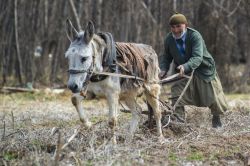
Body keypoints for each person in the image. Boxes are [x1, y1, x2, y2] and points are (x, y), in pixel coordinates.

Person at [159, 13, 228, 128]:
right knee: (177, 92)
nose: (175, 30)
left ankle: (216, 119)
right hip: (184, 73)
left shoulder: (195, 36)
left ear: (185, 25)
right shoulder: (169, 39)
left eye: (178, 26)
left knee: (213, 96)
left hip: (203, 70)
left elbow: (197, 57)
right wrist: (163, 69)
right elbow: (166, 57)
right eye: (172, 27)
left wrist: (185, 66)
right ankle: (179, 121)